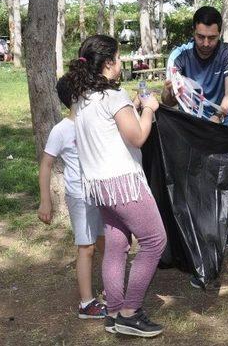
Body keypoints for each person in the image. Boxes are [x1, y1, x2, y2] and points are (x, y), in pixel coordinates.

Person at [68, 34, 166, 338]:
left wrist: (132, 105)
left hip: (99, 186)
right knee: (154, 241)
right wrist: (148, 108)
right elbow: (137, 137)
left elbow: (109, 127)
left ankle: (113, 311)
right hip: (124, 184)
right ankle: (130, 312)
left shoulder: (81, 98)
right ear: (109, 63)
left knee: (117, 245)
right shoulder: (114, 96)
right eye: (118, 58)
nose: (121, 63)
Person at [161, 6, 228, 271]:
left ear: (219, 33)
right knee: (192, 188)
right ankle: (197, 242)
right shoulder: (179, 55)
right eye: (201, 37)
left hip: (220, 129)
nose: (206, 43)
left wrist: (217, 118)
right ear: (194, 32)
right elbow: (168, 102)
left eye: (211, 37)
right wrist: (168, 90)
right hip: (189, 132)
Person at [37, 75, 107, 320]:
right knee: (86, 248)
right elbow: (46, 165)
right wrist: (46, 200)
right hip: (79, 196)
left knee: (106, 242)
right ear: (77, 97)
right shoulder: (62, 130)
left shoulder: (96, 122)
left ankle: (111, 289)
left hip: (101, 193)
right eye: (87, 91)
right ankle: (87, 303)